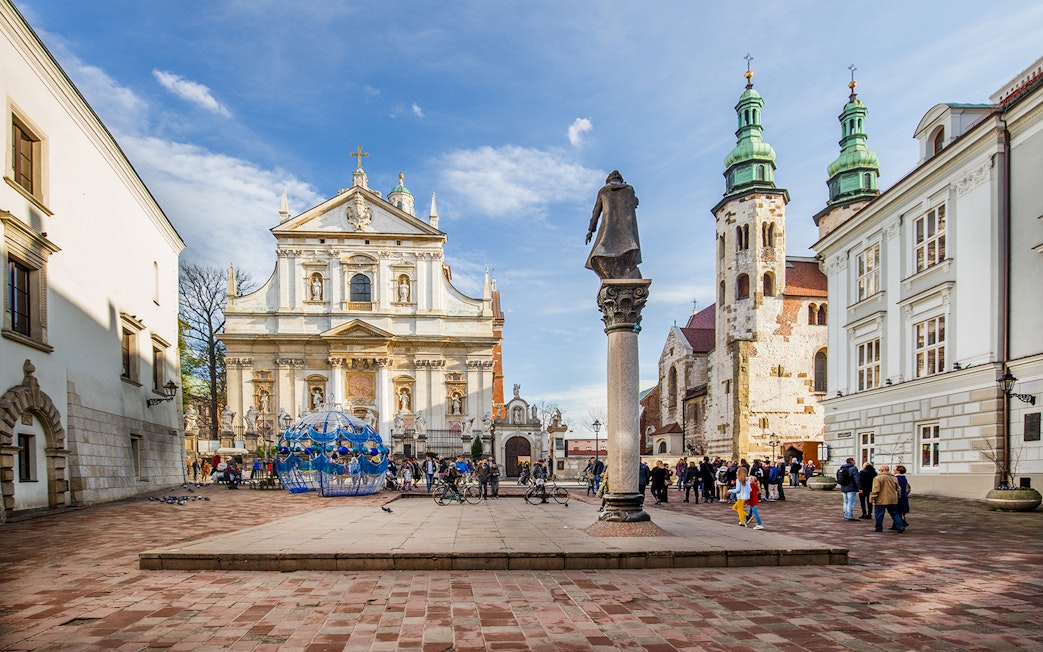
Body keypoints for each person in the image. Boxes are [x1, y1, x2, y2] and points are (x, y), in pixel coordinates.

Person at [585, 170, 642, 280]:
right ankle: (622, 273)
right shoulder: (629, 189)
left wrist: (591, 230)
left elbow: (596, 211)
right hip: (625, 233)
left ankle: (613, 276)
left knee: (600, 255)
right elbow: (635, 203)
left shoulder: (603, 191)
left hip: (608, 231)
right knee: (627, 254)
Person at [869, 465, 905, 533]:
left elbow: (876, 489)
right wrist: (898, 496)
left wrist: (872, 498)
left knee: (879, 514)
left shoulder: (878, 478)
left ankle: (879, 528)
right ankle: (900, 526)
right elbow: (898, 489)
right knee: (895, 513)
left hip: (881, 499)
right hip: (892, 499)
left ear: (882, 470)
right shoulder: (894, 478)